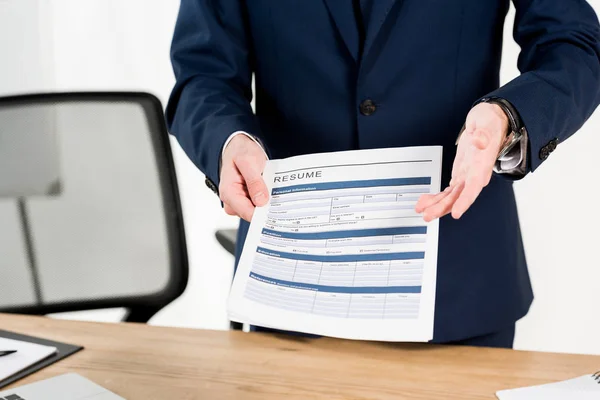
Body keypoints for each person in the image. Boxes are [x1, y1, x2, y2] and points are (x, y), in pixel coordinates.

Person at [166, 0, 600, 348]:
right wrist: (229, 139)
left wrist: (508, 114)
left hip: (459, 284)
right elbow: (203, 72)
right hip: (291, 283)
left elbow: (575, 46)